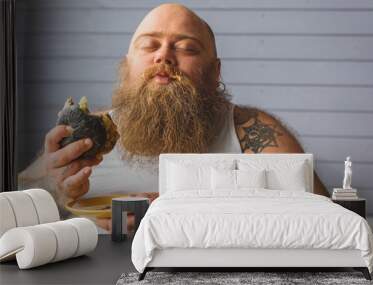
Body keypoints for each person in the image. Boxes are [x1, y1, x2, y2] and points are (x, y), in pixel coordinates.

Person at [18, 4, 329, 229]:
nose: (163, 55)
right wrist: (53, 183)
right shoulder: (87, 134)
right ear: (127, 68)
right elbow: (13, 206)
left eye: (187, 48)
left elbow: (322, 220)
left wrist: (186, 210)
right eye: (149, 45)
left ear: (215, 71)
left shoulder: (251, 131)